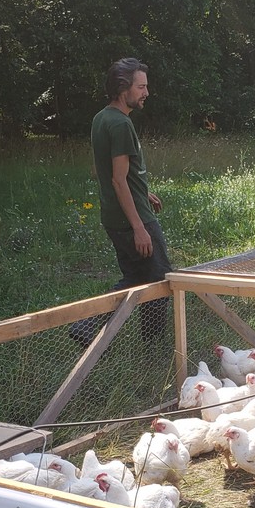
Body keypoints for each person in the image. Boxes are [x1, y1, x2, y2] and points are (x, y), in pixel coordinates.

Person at [75, 57, 173, 345]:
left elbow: (118, 174)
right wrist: (139, 228)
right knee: (158, 280)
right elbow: (118, 180)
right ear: (123, 88)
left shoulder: (101, 118)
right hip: (134, 220)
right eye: (141, 87)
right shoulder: (120, 125)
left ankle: (88, 323)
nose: (146, 93)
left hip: (115, 217)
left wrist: (142, 191)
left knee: (136, 276)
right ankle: (152, 346)